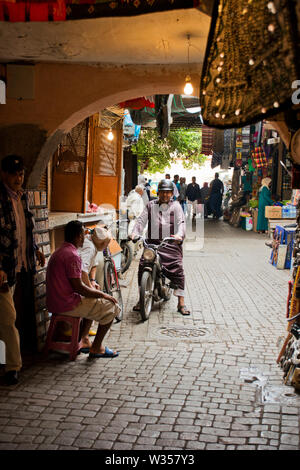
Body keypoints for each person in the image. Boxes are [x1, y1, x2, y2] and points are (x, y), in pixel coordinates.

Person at [0, 155, 45, 385]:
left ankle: (4, 361)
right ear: (3, 174)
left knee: (4, 319)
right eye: (14, 173)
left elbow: (26, 228)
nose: (19, 178)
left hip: (17, 266)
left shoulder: (23, 197)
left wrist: (35, 248)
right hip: (3, 269)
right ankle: (13, 368)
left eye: (21, 173)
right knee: (8, 319)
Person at [46, 220, 120, 359]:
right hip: (65, 303)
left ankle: (84, 339)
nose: (84, 237)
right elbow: (79, 288)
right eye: (82, 234)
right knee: (112, 307)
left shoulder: (61, 250)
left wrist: (95, 290)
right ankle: (97, 348)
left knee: (95, 298)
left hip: (56, 301)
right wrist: (103, 295)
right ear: (77, 236)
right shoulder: (72, 255)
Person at [130, 179, 190, 316]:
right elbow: (141, 220)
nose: (165, 195)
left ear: (172, 194)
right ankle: (142, 298)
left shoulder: (176, 206)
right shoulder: (151, 205)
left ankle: (181, 302)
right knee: (142, 265)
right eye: (162, 192)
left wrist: (179, 235)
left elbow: (181, 223)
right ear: (158, 192)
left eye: (168, 193)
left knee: (178, 268)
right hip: (152, 244)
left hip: (170, 244)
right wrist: (135, 233)